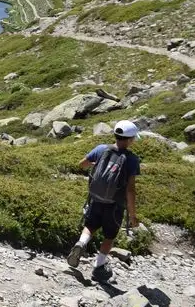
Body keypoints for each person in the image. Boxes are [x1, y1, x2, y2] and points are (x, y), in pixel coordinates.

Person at [67, 119, 141, 282]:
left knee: (90, 226)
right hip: (115, 206)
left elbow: (82, 165)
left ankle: (81, 243)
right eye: (133, 138)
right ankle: (99, 267)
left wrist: (97, 163)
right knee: (109, 237)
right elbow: (130, 189)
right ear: (129, 140)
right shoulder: (132, 160)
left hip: (95, 199)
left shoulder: (101, 149)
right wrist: (133, 215)